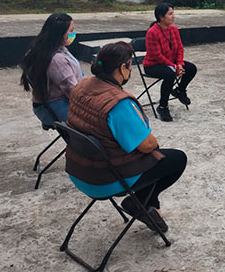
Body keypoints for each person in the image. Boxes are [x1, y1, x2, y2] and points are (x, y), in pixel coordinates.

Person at [65, 42, 187, 233]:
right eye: (130, 66)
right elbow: (148, 145)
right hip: (104, 180)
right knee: (175, 159)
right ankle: (140, 203)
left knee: (151, 159)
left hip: (79, 169)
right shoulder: (118, 103)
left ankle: (146, 205)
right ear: (123, 68)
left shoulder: (82, 85)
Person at [20, 13, 83, 126]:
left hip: (47, 104)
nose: (73, 34)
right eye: (70, 30)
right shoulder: (58, 61)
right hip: (55, 106)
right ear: (60, 34)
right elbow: (73, 91)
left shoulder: (41, 49)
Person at [143, 2, 197, 122]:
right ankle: (163, 106)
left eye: (173, 13)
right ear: (161, 17)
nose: (173, 16)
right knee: (169, 74)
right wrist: (173, 67)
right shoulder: (152, 32)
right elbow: (156, 55)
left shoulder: (173, 29)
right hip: (153, 65)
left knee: (191, 68)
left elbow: (179, 48)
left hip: (171, 63)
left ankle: (179, 90)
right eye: (170, 14)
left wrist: (179, 64)